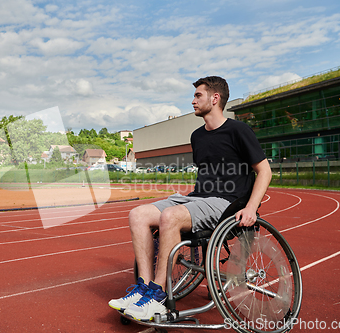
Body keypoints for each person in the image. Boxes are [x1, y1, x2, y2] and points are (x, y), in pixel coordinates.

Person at [108, 76, 272, 321]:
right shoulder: (197, 136)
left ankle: (157, 296)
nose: (193, 100)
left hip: (226, 202)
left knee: (170, 217)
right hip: (198, 198)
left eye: (198, 95)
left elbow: (265, 171)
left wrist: (250, 207)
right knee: (138, 214)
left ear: (215, 98)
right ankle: (143, 286)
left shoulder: (239, 130)